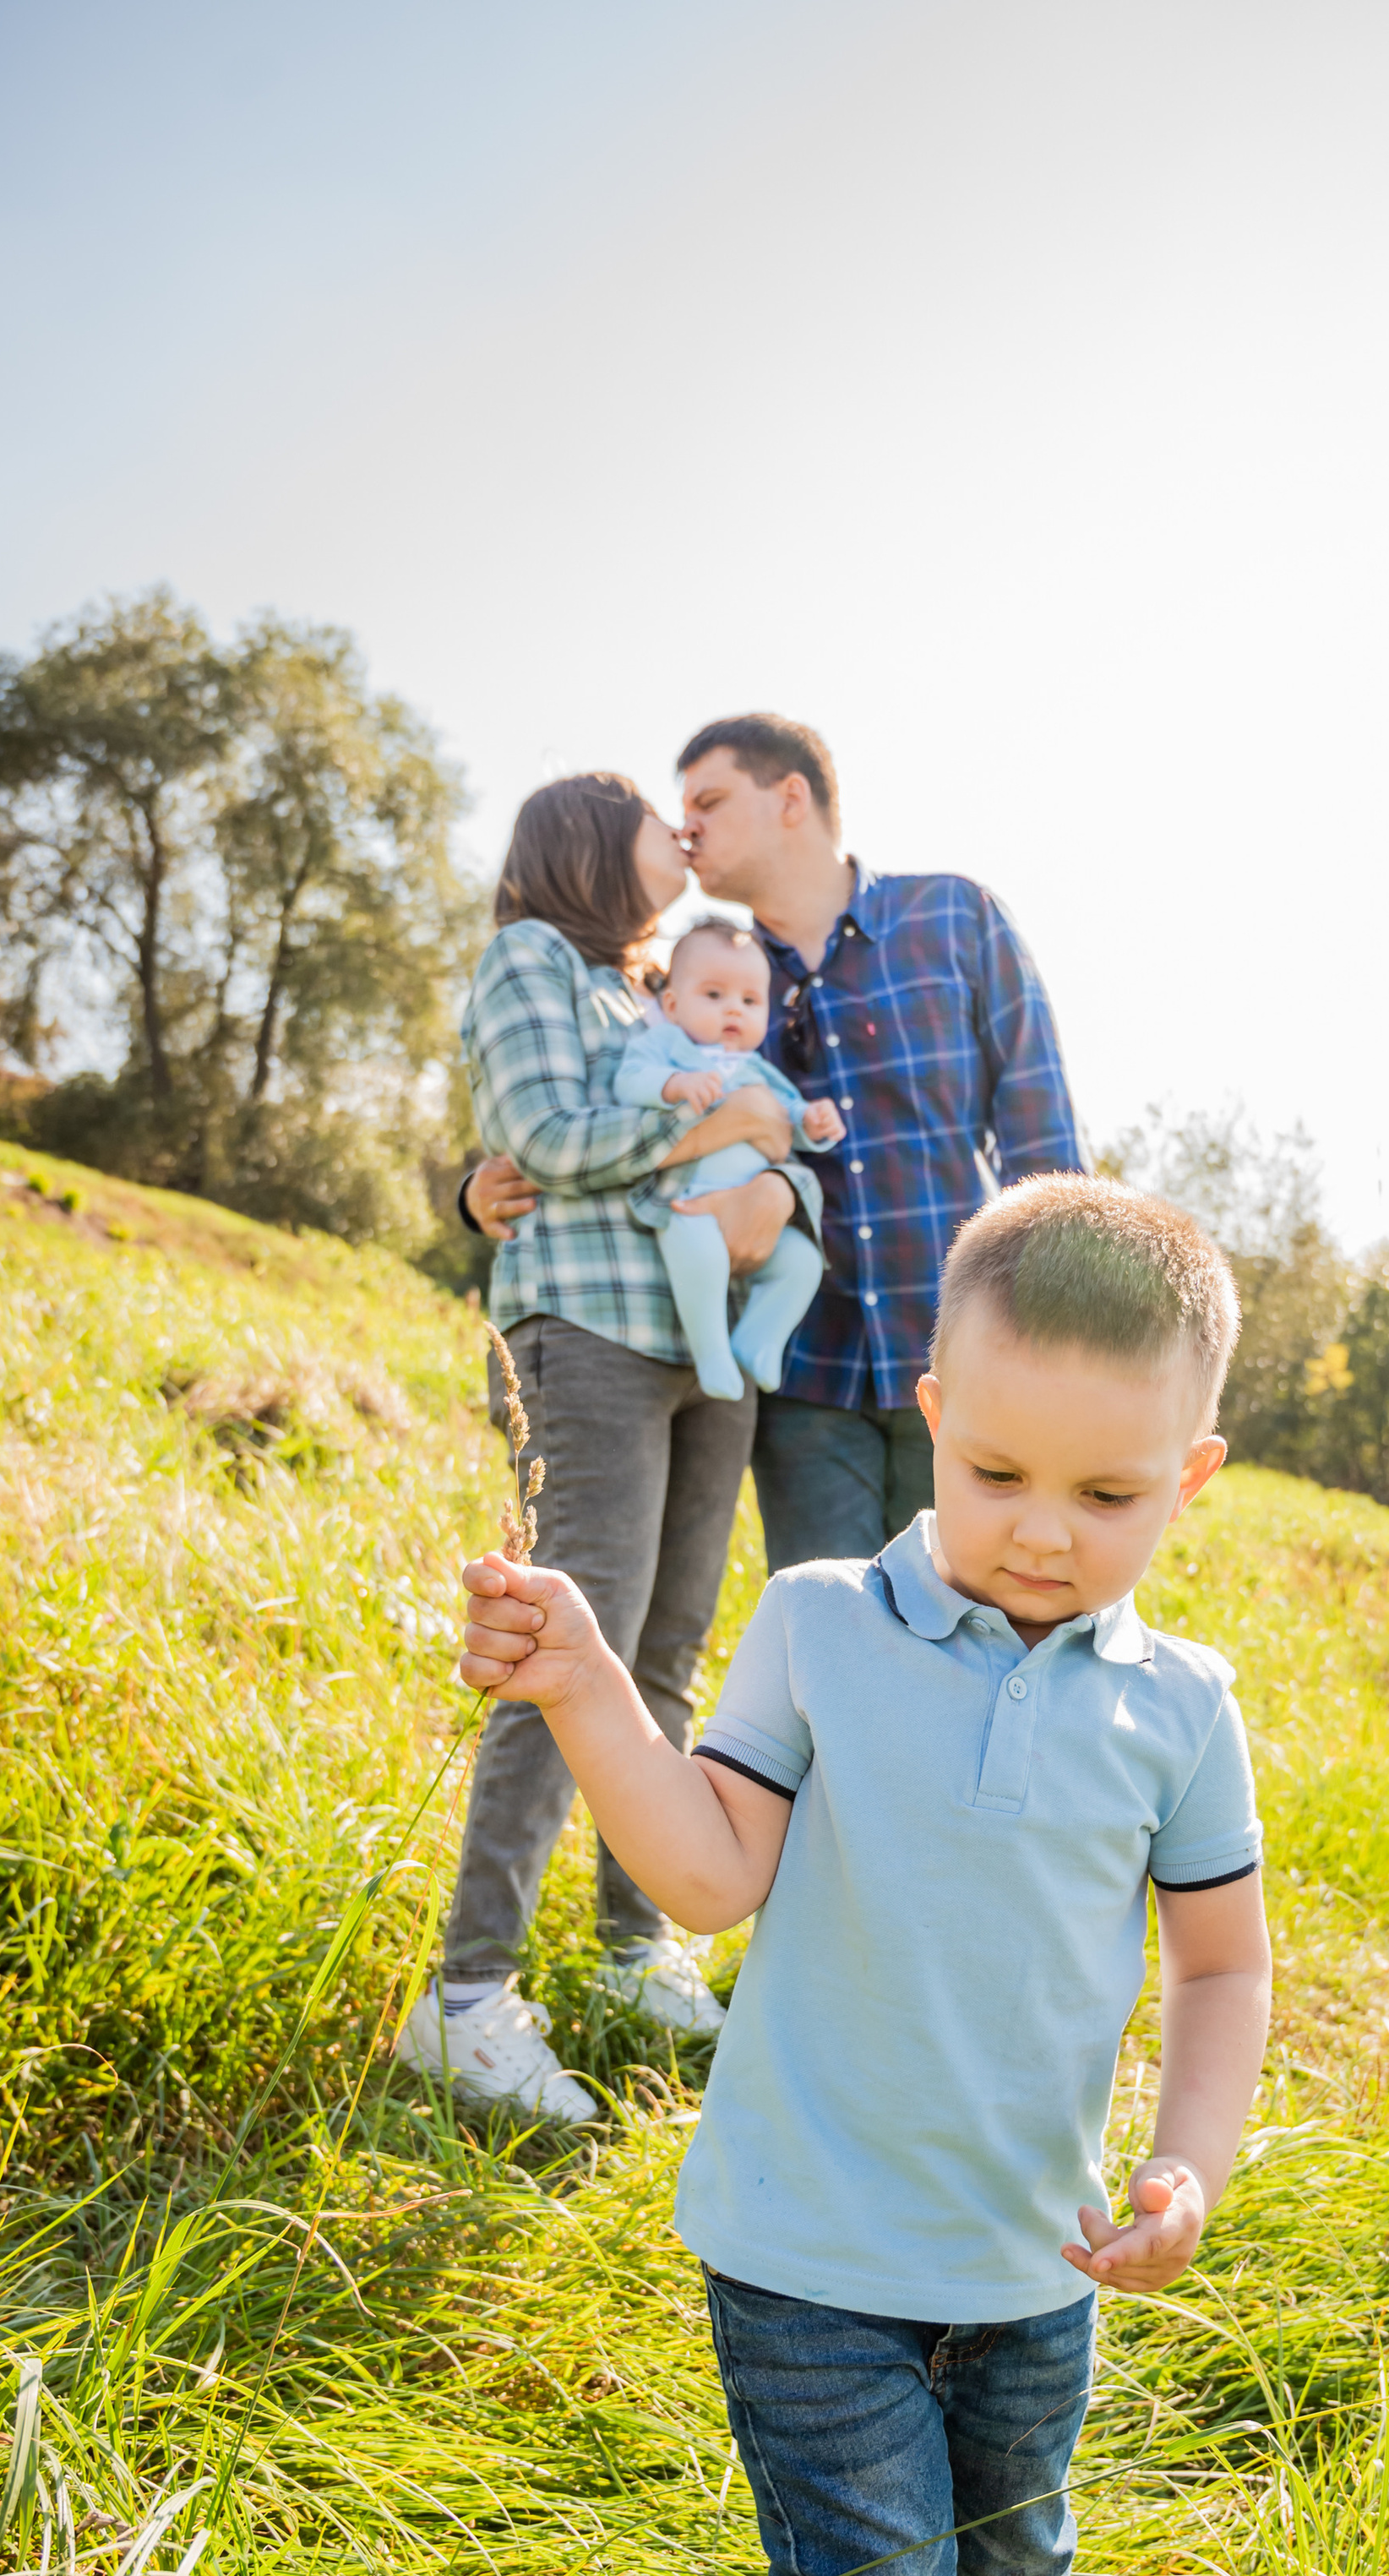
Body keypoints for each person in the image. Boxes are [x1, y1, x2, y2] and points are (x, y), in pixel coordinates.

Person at [456, 1175, 1273, 2576]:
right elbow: (708, 1875)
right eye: (995, 1465)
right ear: (926, 1404)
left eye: (1104, 1489)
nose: (1036, 1526)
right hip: (807, 2255)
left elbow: (1215, 1968)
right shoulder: (821, 1617)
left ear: (1190, 1474)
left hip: (1034, 2262)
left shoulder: (1177, 1706)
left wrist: (1191, 2156)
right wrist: (586, 1692)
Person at [396, 773, 822, 2126]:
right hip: (585, 1338)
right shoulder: (530, 957)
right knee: (566, 1649)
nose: (682, 842)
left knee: (666, 1655)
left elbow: (629, 1140)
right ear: (590, 839)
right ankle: (468, 1995)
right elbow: (543, 1139)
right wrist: (726, 1127)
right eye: (661, 819)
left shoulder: (646, 989)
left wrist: (747, 1142)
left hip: (701, 1350)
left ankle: (639, 1947)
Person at [678, 712, 1087, 1569]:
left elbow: (1040, 1140)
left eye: (710, 801)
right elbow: (634, 1105)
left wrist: (1059, 1344)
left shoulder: (953, 917)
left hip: (967, 1366)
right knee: (836, 1651)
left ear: (791, 798)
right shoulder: (714, 985)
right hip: (804, 1379)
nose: (689, 828)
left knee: (980, 1634)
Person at [610, 919, 844, 1400]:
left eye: (750, 1000)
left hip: (753, 1212)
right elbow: (628, 1079)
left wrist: (814, 1122)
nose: (733, 1009)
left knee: (802, 1262)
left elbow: (790, 1116)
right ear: (672, 1005)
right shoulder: (668, 1047)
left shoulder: (758, 1069)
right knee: (700, 1255)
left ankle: (758, 1341)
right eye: (714, 995)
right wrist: (674, 1085)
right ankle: (711, 1350)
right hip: (688, 1204)